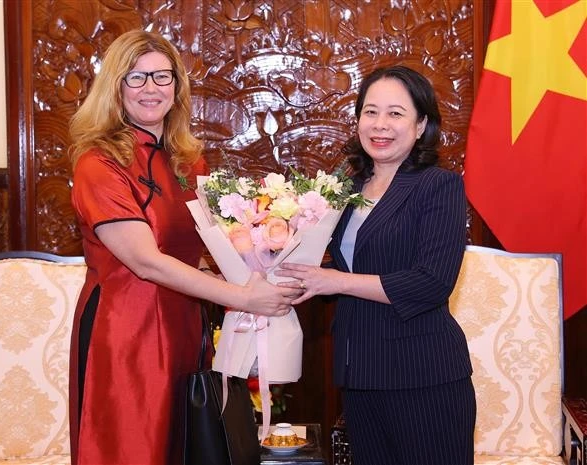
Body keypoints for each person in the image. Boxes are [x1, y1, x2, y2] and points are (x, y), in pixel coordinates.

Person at [67, 29, 299, 465]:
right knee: (134, 447)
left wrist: (265, 266)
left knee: (188, 446)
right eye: (135, 78)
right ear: (114, 87)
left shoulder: (188, 160)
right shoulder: (98, 163)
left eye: (162, 76)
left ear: (177, 86)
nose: (151, 88)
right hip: (124, 334)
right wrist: (243, 296)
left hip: (185, 327)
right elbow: (146, 261)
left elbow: (202, 252)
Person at [276, 65, 476, 464]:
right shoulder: (345, 190)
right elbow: (327, 266)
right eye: (370, 112)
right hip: (359, 375)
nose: (380, 124)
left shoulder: (439, 186)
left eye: (396, 113)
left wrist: (336, 281)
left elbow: (431, 283)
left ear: (421, 125)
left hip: (423, 378)